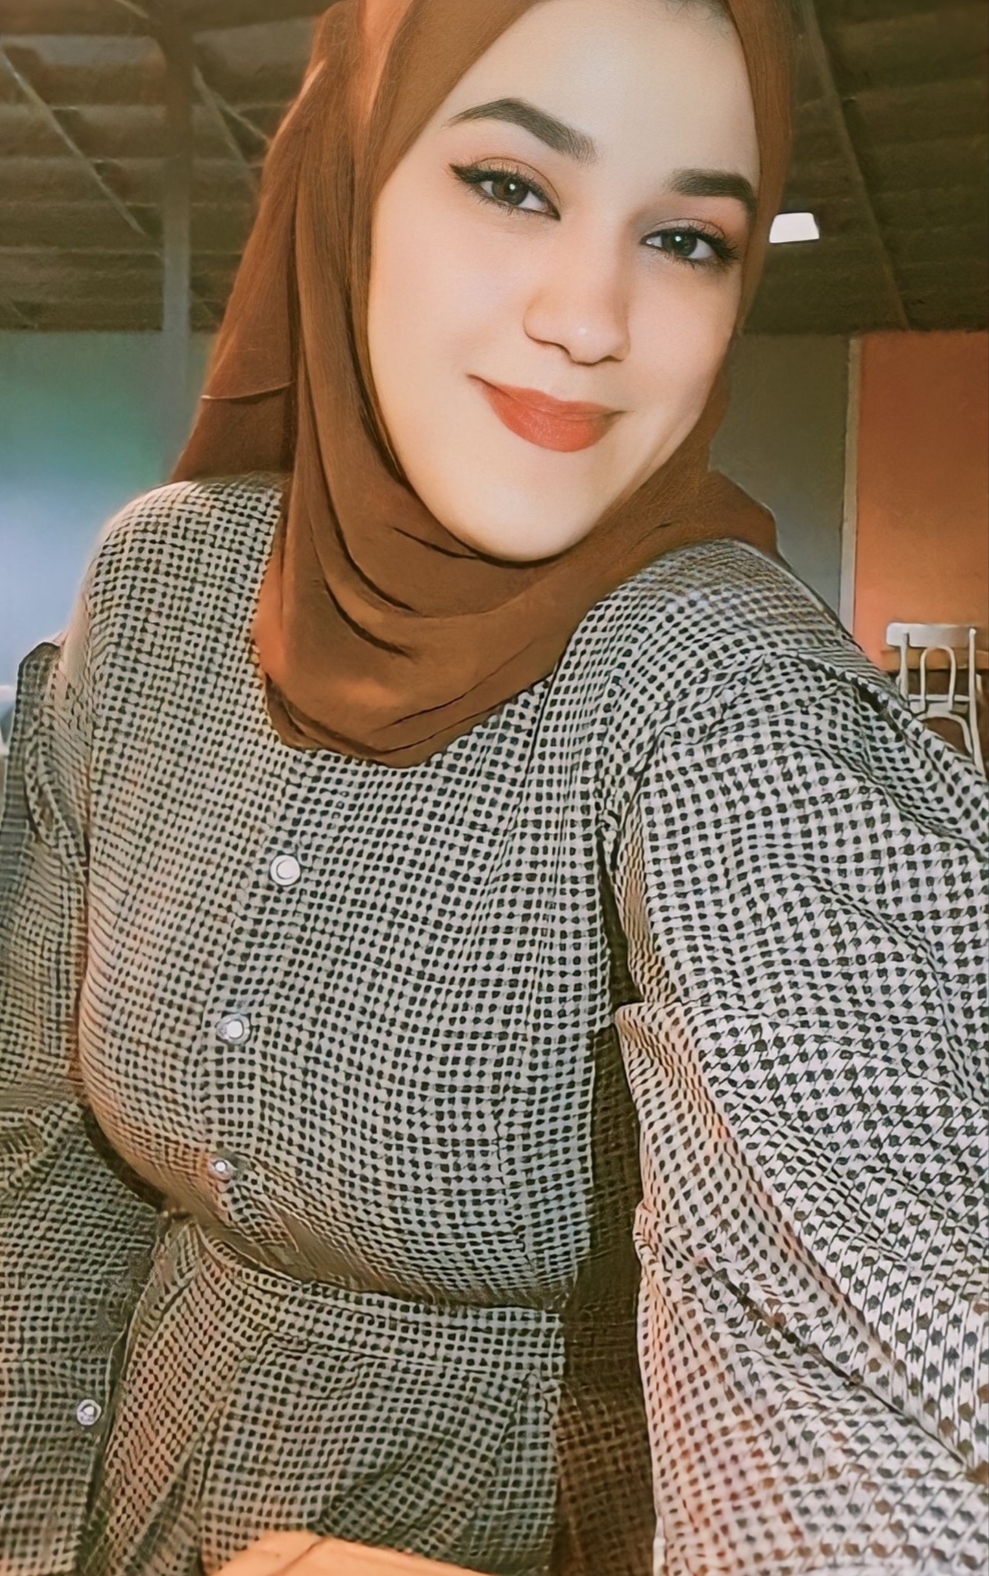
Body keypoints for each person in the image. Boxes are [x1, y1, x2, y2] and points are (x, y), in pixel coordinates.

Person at [0, 0, 985, 1573]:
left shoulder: (728, 693)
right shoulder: (162, 592)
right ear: (347, 193)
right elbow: (43, 1177)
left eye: (685, 239)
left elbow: (883, 1301)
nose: (591, 318)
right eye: (512, 186)